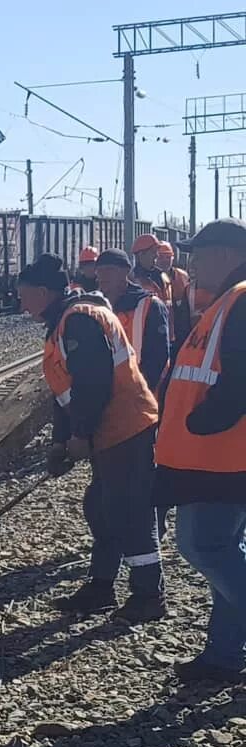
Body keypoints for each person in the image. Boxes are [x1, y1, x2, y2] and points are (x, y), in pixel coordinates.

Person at [18, 253, 165, 624]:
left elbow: (93, 384)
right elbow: (64, 392)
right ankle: (101, 586)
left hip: (125, 427)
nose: (20, 303)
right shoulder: (67, 319)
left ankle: (149, 594)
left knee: (127, 511)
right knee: (101, 507)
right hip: (110, 429)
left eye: (24, 295)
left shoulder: (79, 320)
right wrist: (60, 440)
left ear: (42, 292)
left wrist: (79, 436)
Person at [155, 219, 246, 683]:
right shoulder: (226, 301)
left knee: (203, 545)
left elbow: (239, 379)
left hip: (221, 457)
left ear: (228, 253)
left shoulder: (242, 299)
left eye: (198, 252)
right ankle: (224, 655)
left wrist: (203, 421)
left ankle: (226, 653)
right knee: (223, 548)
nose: (190, 262)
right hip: (212, 455)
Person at [94, 249, 171, 392]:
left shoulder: (150, 306)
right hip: (107, 396)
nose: (102, 275)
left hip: (142, 394)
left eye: (109, 270)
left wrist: (138, 392)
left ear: (126, 272)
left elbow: (158, 358)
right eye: (99, 271)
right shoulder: (96, 309)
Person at [156, 241, 192, 352]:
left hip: (180, 329)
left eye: (168, 257)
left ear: (173, 257)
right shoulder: (149, 279)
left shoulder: (183, 276)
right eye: (161, 257)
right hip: (159, 328)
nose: (164, 261)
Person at [132, 233, 172, 304]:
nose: (157, 255)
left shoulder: (162, 276)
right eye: (153, 252)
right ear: (140, 255)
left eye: (157, 251)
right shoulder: (132, 280)